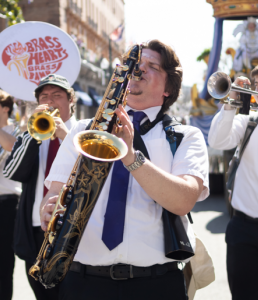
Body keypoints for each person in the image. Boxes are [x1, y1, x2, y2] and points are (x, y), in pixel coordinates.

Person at [40, 40, 209, 300]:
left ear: (168, 88)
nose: (138, 71)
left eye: (152, 66)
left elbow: (183, 200)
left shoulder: (186, 136)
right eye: (135, 65)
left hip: (155, 284)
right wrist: (49, 209)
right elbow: (53, 194)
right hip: (83, 282)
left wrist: (131, 158)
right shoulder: (84, 129)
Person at [208, 59, 258, 300]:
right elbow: (216, 141)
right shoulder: (245, 121)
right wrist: (231, 100)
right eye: (256, 83)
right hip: (243, 229)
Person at [3, 74, 77, 300]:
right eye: (44, 97)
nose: (50, 101)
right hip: (38, 230)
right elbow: (12, 172)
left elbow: (92, 170)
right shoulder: (34, 135)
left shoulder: (83, 132)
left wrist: (64, 136)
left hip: (74, 229)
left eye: (57, 95)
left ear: (70, 100)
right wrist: (30, 134)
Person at [0, 89, 21, 300]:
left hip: (6, 206)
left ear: (5, 108)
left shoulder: (18, 131)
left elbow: (10, 146)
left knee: (4, 266)